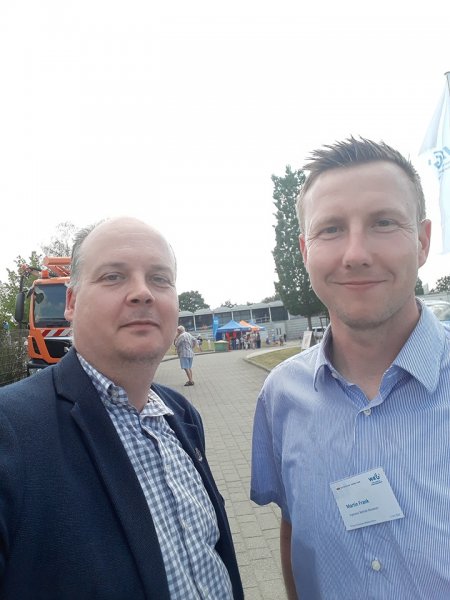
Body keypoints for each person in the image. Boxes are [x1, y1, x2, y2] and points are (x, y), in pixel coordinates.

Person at [0, 217, 243, 600]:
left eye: (160, 278)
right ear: (72, 302)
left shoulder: (182, 416)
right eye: (113, 277)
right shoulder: (10, 432)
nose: (142, 293)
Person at [251, 137, 450, 599]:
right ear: (305, 250)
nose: (356, 253)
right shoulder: (281, 396)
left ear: (422, 241)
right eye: (331, 228)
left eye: (383, 222)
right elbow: (294, 528)